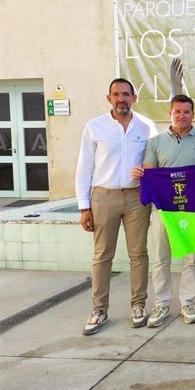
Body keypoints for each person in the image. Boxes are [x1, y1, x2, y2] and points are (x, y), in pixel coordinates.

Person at [132, 94, 195, 328]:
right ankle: (161, 303)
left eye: (186, 111)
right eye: (177, 112)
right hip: (164, 210)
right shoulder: (156, 142)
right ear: (170, 114)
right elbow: (149, 171)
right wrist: (141, 173)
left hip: (193, 210)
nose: (182, 115)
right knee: (161, 258)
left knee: (192, 258)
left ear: (193, 114)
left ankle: (187, 302)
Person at [76, 78, 158, 335]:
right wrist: (84, 206)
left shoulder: (146, 127)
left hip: (136, 197)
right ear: (108, 98)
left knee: (139, 254)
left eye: (126, 94)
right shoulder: (94, 127)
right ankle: (99, 309)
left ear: (134, 98)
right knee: (102, 256)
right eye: (116, 94)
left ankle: (139, 305)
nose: (121, 98)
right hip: (104, 196)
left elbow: (154, 161)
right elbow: (84, 168)